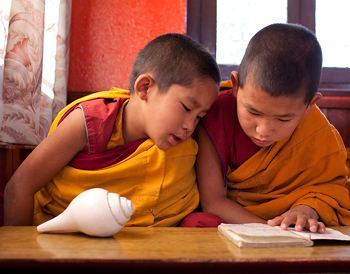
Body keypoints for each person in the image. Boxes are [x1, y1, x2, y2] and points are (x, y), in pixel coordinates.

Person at [4, 33, 221, 226]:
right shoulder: (90, 122)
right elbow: (20, 187)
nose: (190, 126)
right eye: (186, 108)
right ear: (145, 88)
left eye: (200, 117)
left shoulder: (184, 140)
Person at [180, 23, 350, 233]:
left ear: (309, 105)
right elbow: (213, 201)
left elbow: (329, 190)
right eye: (253, 112)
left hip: (290, 227)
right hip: (238, 220)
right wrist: (271, 231)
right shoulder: (217, 115)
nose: (263, 131)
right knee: (196, 224)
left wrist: (307, 210)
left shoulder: (316, 132)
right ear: (235, 85)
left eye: (283, 119)